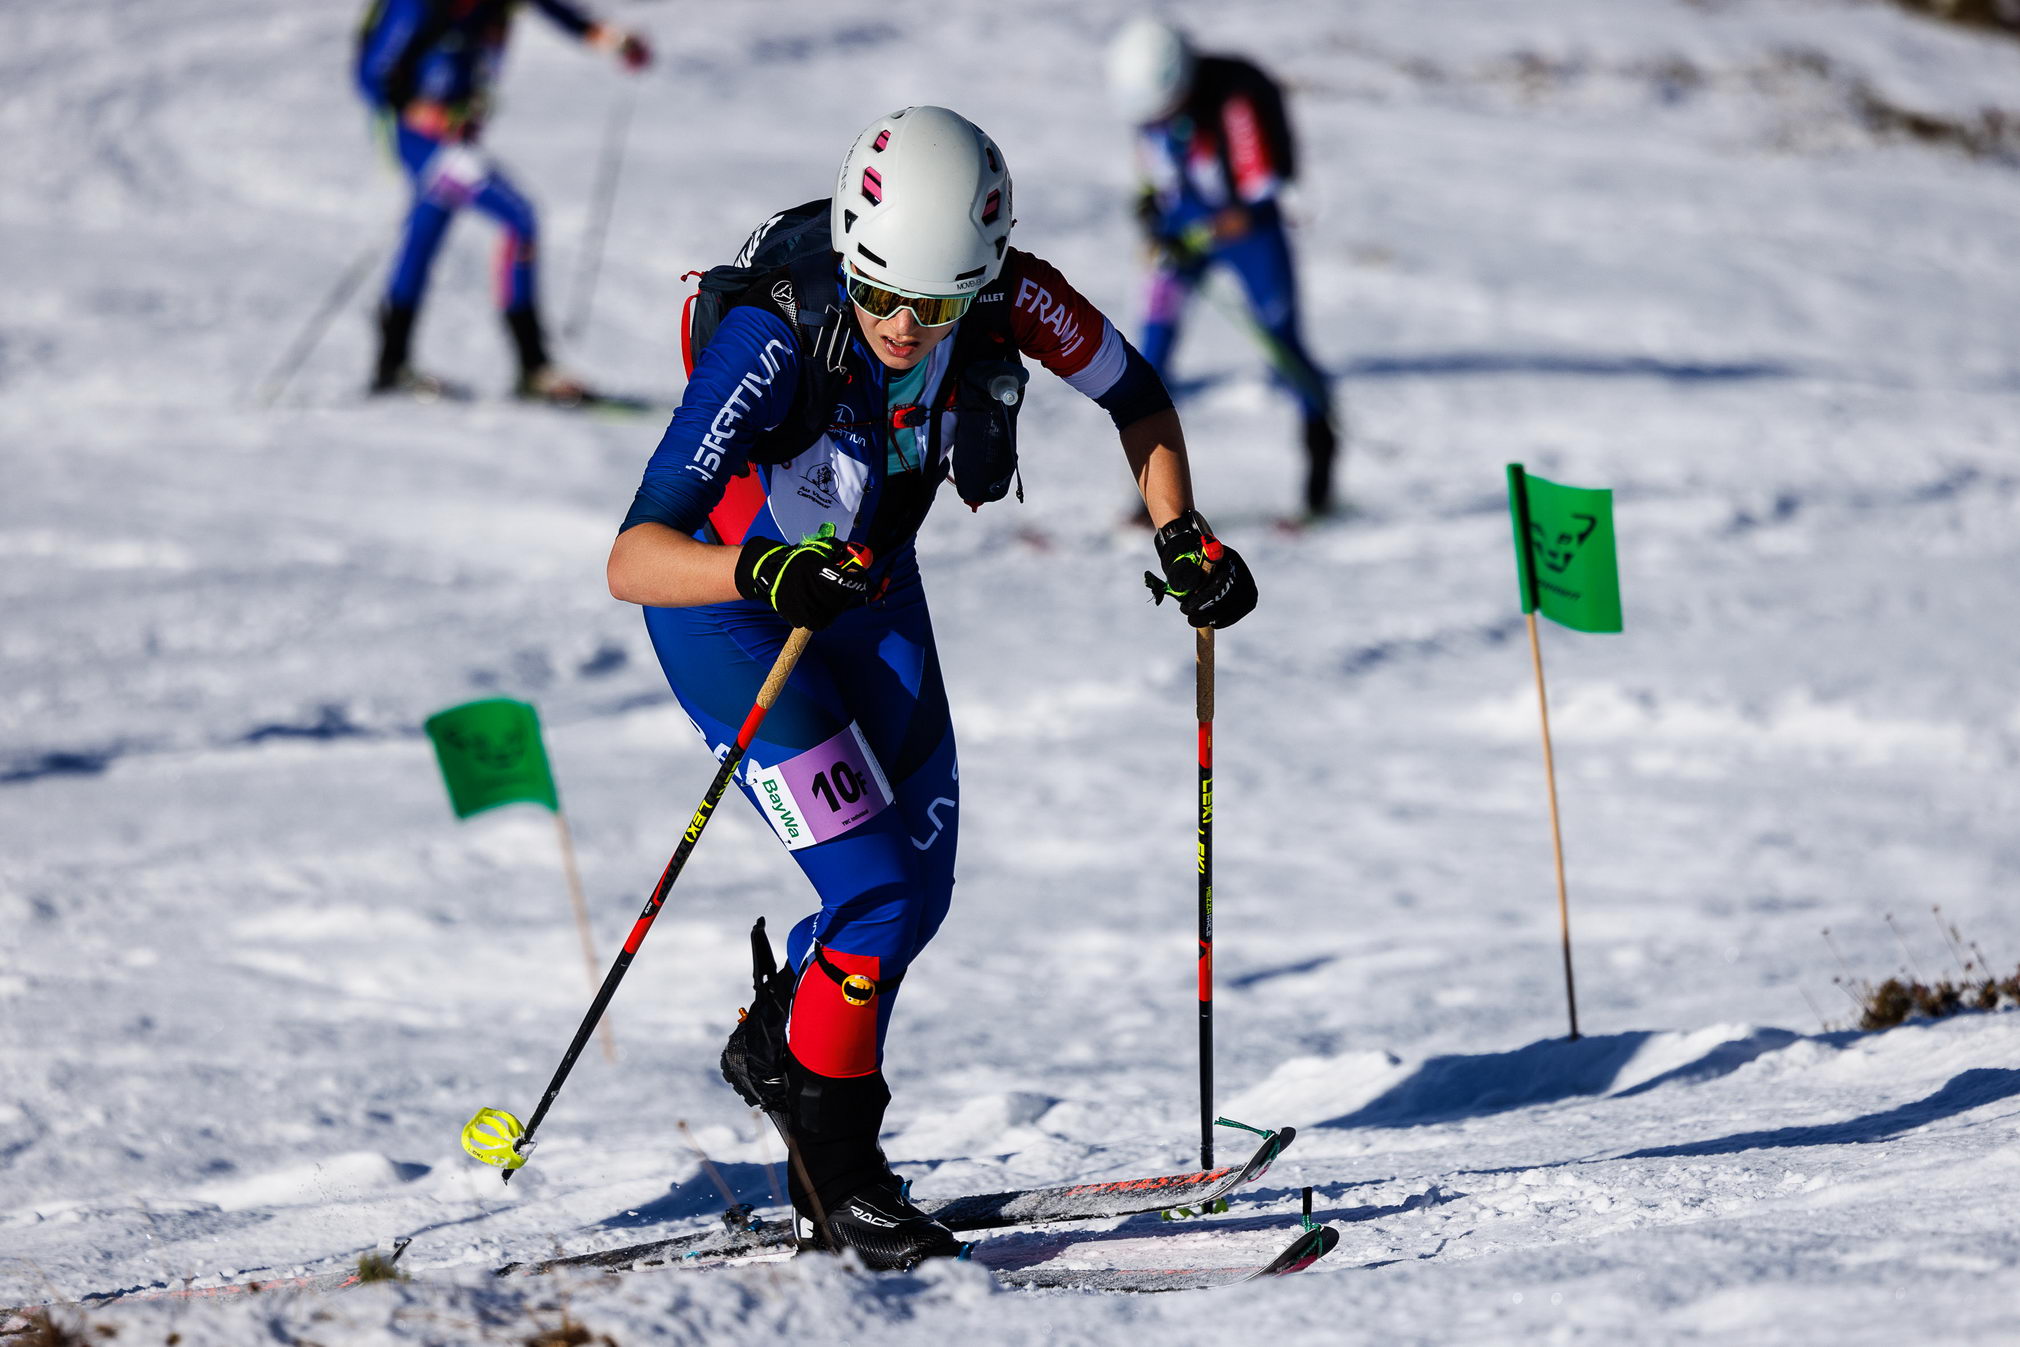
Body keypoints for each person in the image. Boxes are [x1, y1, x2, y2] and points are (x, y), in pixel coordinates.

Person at [606, 106, 1259, 1270]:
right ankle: (837, 1182)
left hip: (868, 593)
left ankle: (784, 1045)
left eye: (939, 305)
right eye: (881, 297)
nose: (906, 328)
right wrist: (758, 566)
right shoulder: (768, 341)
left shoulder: (1018, 296)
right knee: (874, 892)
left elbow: (1137, 395)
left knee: (919, 886)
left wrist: (1183, 536)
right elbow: (633, 555)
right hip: (731, 617)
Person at [354, 0, 651, 402]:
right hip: (422, 144)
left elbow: (565, 17)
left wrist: (616, 42)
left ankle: (390, 366)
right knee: (518, 219)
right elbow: (372, 75)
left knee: (423, 237)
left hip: (457, 139)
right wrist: (421, 111)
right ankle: (534, 368)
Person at [1106, 17, 1342, 520]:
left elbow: (1255, 201)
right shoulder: (1148, 107)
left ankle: (1319, 464)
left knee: (1283, 341)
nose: (1153, 121)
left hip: (1245, 233)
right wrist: (1149, 203)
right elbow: (1150, 161)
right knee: (1149, 357)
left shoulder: (1236, 100)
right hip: (1180, 234)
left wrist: (1196, 237)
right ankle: (1153, 497)